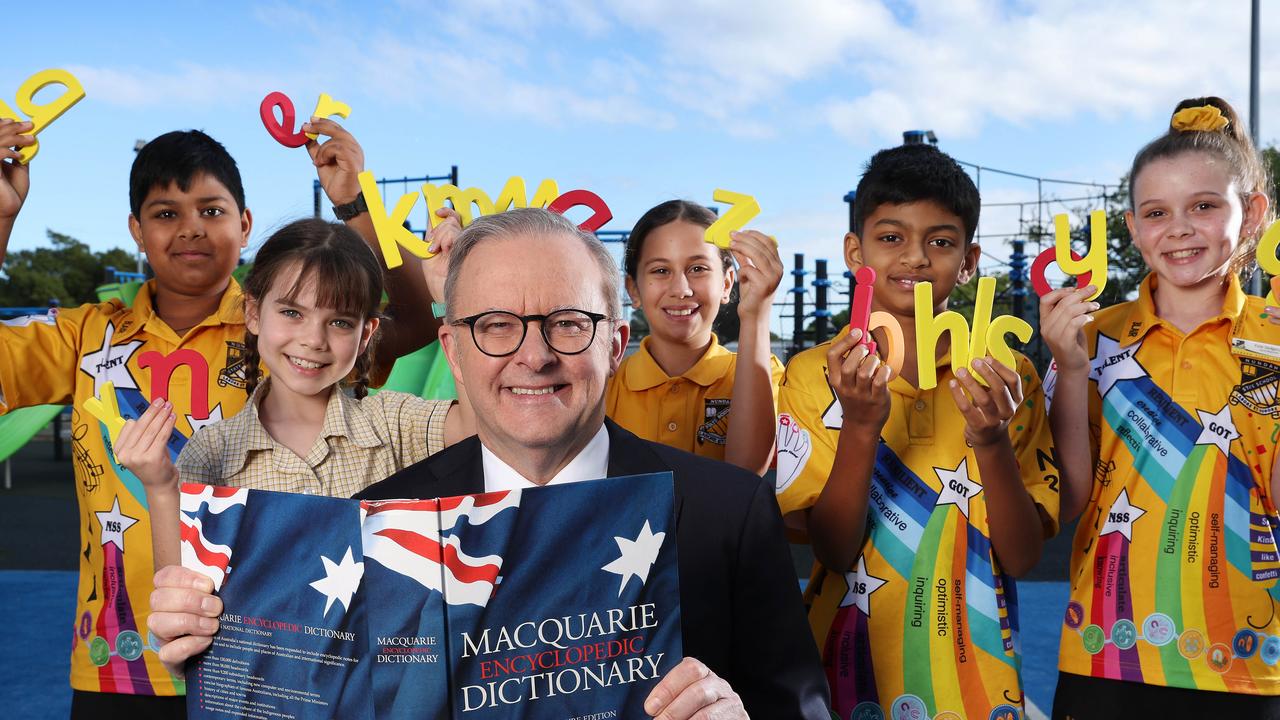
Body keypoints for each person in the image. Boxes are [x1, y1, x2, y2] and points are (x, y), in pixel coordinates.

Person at [149, 208, 831, 719]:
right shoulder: (381, 520)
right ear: (452, 347)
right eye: (496, 325)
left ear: (616, 342)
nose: (532, 356)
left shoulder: (726, 512)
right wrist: (214, 648)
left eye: (567, 322)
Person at [0, 118, 442, 717]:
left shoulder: (287, 327)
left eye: (211, 210)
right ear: (135, 230)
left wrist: (356, 204)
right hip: (122, 665)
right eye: (165, 214)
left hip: (273, 660)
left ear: (245, 223)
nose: (191, 230)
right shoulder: (85, 335)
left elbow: (413, 322)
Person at [774, 144, 1059, 719]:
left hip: (978, 682)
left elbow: (1023, 557)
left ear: (970, 259)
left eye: (941, 241)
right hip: (845, 673)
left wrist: (992, 440)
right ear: (855, 251)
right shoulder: (812, 375)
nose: (916, 257)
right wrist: (860, 425)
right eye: (891, 237)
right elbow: (830, 548)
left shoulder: (1009, 377)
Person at [1041, 97, 1280, 718]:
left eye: (1204, 206)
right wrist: (1068, 369)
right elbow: (1068, 503)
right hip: (1104, 657)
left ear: (1251, 213)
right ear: (1132, 228)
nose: (1179, 228)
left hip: (1251, 669)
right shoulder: (1090, 339)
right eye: (1157, 212)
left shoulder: (1275, 338)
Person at [115, 218, 473, 568]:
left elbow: (482, 430)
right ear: (254, 314)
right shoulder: (211, 453)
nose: (313, 339)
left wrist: (453, 297)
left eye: (340, 322)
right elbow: (181, 598)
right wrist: (162, 489)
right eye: (291, 312)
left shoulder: (394, 422)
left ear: (366, 334)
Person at [606, 200, 783, 474]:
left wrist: (756, 315)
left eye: (698, 268)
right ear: (633, 289)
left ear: (726, 283)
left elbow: (745, 473)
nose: (681, 289)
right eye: (661, 271)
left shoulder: (764, 373)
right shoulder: (606, 382)